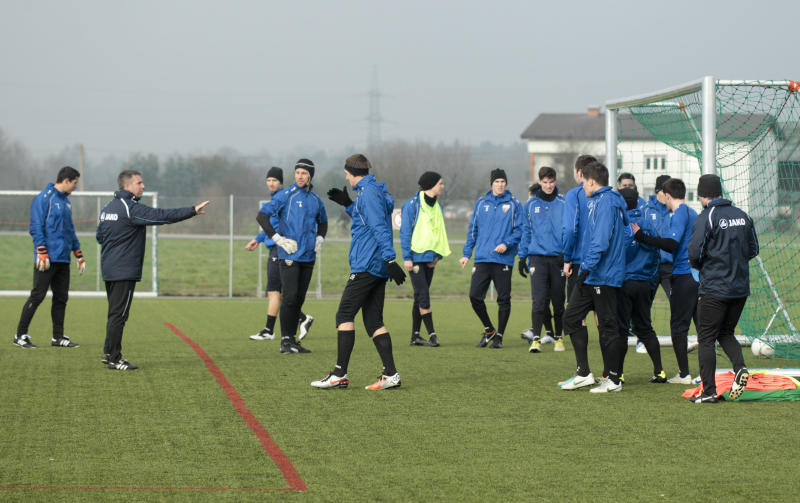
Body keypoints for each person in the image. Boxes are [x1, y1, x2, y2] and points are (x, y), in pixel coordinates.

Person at [96, 170, 208, 370]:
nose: (143, 186)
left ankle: (108, 352)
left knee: (114, 313)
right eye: (139, 183)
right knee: (119, 315)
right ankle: (114, 358)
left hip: (109, 268)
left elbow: (99, 237)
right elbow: (161, 216)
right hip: (124, 270)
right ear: (127, 186)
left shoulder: (107, 208)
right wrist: (192, 210)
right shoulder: (130, 208)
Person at [311, 154, 406, 390]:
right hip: (375, 264)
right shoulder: (372, 192)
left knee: (344, 314)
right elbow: (366, 219)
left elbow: (379, 227)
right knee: (373, 321)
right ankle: (390, 375)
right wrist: (348, 204)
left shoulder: (369, 194)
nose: (346, 178)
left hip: (368, 264)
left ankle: (339, 374)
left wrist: (390, 259)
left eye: (346, 174)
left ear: (353, 173)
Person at [687, 174, 758, 403]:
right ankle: (740, 367)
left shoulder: (707, 216)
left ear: (702, 195)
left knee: (706, 338)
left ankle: (708, 392)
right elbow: (753, 249)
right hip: (740, 288)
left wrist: (704, 267)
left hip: (714, 288)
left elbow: (694, 252)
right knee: (726, 332)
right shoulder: (743, 215)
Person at [560, 161, 628, 392]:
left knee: (608, 326)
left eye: (583, 183)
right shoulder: (598, 200)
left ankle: (614, 380)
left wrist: (587, 267)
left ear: (590, 181)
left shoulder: (608, 202)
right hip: (592, 273)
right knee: (571, 317)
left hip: (603, 275)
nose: (582, 187)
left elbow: (601, 241)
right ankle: (584, 373)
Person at [257, 159, 327, 354]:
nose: (300, 176)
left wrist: (320, 238)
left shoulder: (316, 199)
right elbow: (262, 216)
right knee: (289, 297)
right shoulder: (285, 195)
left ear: (310, 176)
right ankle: (286, 341)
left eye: (304, 173)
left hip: (308, 256)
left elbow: (323, 222)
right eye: (297, 173)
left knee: (299, 299)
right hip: (289, 254)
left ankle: (292, 341)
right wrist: (277, 239)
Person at [633, 178, 698, 384]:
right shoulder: (693, 213)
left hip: (682, 274)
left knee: (678, 326)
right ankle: (706, 374)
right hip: (697, 275)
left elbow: (670, 244)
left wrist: (642, 237)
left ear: (668, 196)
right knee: (702, 326)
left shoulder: (679, 213)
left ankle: (684, 374)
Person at [14, 166, 85, 349]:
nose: (76, 187)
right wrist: (41, 250)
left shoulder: (66, 202)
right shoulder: (44, 198)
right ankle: (20, 335)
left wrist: (78, 252)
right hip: (47, 258)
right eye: (75, 183)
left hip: (63, 259)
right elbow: (36, 226)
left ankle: (58, 337)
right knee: (37, 296)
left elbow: (70, 230)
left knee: (61, 298)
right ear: (66, 180)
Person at [245, 167, 314, 342]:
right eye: (268, 180)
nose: (271, 183)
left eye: (274, 180)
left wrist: (265, 239)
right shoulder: (277, 198)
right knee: (280, 293)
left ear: (281, 182)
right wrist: (258, 239)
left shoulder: (283, 198)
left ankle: (270, 330)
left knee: (275, 291)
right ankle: (301, 318)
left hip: (281, 248)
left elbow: (276, 226)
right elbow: (270, 225)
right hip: (276, 247)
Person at [459, 169, 523, 349]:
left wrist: (507, 244)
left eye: (503, 181)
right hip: (482, 258)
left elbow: (520, 230)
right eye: (497, 182)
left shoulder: (514, 204)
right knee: (474, 296)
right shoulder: (481, 203)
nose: (500, 185)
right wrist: (466, 254)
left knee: (503, 299)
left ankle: (499, 337)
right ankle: (489, 330)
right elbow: (473, 230)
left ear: (506, 183)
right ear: (492, 183)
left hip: (503, 259)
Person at [617, 187, 665, 383]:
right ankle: (659, 371)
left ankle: (618, 373)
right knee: (645, 328)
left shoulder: (620, 224)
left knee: (621, 330)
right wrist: (650, 280)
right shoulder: (648, 224)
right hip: (644, 283)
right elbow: (656, 254)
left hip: (624, 283)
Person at [400, 171, 451, 347]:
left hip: (430, 259)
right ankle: (432, 335)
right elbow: (405, 232)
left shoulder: (438, 206)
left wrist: (437, 256)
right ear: (431, 185)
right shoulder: (411, 205)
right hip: (415, 258)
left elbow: (439, 232)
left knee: (419, 296)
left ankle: (415, 336)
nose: (442, 186)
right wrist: (407, 257)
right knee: (424, 295)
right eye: (440, 183)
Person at [519, 167, 566, 353]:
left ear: (555, 181)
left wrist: (566, 253)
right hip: (537, 258)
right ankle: (536, 340)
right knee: (538, 300)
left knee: (558, 301)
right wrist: (522, 256)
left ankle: (559, 338)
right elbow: (526, 231)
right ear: (539, 182)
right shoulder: (531, 205)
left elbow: (570, 230)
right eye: (545, 182)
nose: (548, 185)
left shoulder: (564, 203)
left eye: (551, 182)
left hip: (558, 259)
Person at [635, 174, 672, 354]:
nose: (670, 196)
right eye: (668, 192)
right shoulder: (645, 210)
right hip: (650, 266)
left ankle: (680, 338)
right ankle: (641, 340)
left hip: (669, 267)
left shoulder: (675, 210)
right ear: (659, 191)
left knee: (678, 304)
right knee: (644, 305)